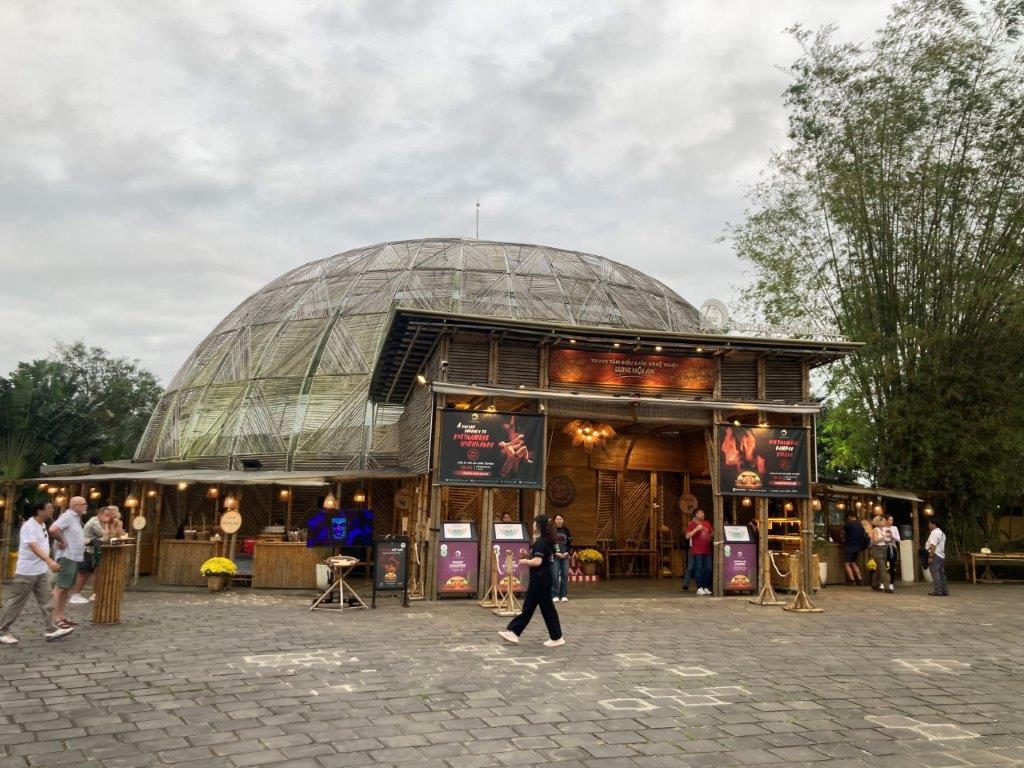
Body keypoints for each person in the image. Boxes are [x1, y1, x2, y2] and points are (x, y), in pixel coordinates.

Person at [0, 502, 75, 644]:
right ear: (39, 511)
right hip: (26, 571)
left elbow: (41, 544)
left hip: (40, 571)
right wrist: (50, 561)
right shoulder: (29, 526)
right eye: (49, 508)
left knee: (47, 599)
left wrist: (60, 542)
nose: (52, 509)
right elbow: (33, 547)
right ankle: (2, 630)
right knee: (17, 602)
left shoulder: (42, 525)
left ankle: (51, 629)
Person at [499, 515, 564, 647]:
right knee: (530, 607)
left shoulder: (541, 542)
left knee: (546, 609)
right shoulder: (543, 541)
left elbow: (538, 561)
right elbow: (540, 558)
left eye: (535, 523)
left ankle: (556, 637)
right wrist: (527, 555)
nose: (533, 525)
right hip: (540, 578)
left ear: (539, 525)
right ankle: (514, 632)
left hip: (541, 579)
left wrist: (525, 561)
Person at [49, 496, 87, 629]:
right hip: (67, 556)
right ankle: (54, 618)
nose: (85, 506)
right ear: (75, 505)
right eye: (83, 504)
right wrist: (61, 541)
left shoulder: (76, 519)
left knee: (66, 587)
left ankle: (60, 615)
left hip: (74, 557)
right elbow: (53, 529)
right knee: (60, 587)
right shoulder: (68, 516)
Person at [70, 506, 116, 605]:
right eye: (106, 515)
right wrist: (108, 524)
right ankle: (76, 595)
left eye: (109, 515)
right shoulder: (94, 522)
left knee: (87, 572)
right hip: (86, 550)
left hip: (93, 551)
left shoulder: (101, 522)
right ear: (99, 514)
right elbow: (106, 537)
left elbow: (112, 535)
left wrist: (110, 525)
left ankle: (79, 594)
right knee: (83, 573)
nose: (108, 517)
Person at [685, 509, 713, 595]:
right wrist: (696, 529)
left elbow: (711, 533)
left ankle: (706, 587)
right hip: (697, 550)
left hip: (707, 550)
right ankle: (699, 588)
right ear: (696, 515)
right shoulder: (692, 524)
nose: (703, 514)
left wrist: (712, 534)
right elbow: (687, 536)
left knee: (708, 569)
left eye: (703, 512)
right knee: (699, 569)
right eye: (701, 513)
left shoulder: (707, 523)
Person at [550, 514, 573, 602]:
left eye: (560, 519)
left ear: (563, 520)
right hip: (555, 555)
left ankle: (563, 594)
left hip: (565, 555)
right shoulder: (551, 530)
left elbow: (569, 543)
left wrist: (567, 552)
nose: (559, 520)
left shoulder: (566, 530)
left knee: (565, 575)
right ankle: (554, 594)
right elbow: (551, 543)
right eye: (557, 519)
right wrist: (556, 553)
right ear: (554, 521)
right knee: (555, 575)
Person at [868, 515, 893, 593]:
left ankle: (875, 584)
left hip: (884, 548)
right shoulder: (875, 530)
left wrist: (889, 536)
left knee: (879, 568)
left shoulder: (884, 529)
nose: (885, 522)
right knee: (883, 568)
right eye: (883, 521)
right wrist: (884, 536)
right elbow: (875, 540)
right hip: (877, 549)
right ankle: (887, 587)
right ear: (878, 522)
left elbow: (887, 539)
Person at [926, 518, 949, 596]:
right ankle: (944, 590)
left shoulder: (935, 533)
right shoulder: (942, 533)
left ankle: (938, 590)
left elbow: (933, 545)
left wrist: (930, 556)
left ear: (934, 524)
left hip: (935, 555)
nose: (929, 525)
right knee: (941, 573)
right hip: (941, 555)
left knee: (935, 573)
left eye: (930, 524)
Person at [841, 511, 865, 585]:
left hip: (849, 546)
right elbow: (863, 535)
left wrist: (843, 539)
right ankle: (860, 580)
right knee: (854, 563)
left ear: (850, 516)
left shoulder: (848, 524)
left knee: (847, 563)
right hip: (857, 547)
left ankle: (852, 580)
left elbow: (842, 533)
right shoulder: (860, 525)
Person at [679, 511, 696, 591]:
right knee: (690, 567)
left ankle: (703, 586)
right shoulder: (691, 524)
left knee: (700, 568)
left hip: (701, 548)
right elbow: (687, 536)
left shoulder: (703, 524)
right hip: (692, 548)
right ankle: (685, 585)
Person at [884, 514, 901, 586]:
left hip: (892, 546)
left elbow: (898, 539)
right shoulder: (882, 528)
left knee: (892, 564)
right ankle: (883, 581)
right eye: (890, 520)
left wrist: (892, 535)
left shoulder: (894, 528)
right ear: (886, 520)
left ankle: (892, 582)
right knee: (883, 565)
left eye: (892, 520)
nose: (892, 521)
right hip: (884, 546)